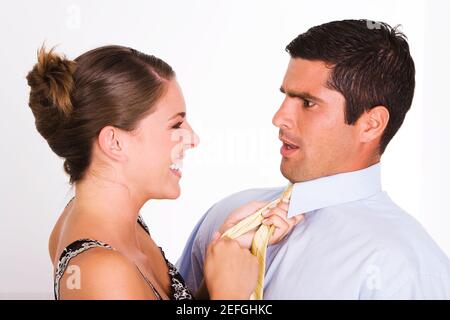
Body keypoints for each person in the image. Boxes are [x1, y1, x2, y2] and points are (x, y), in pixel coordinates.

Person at [177, 19, 450, 299]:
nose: (279, 118)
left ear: (371, 124)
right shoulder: (225, 222)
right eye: (285, 97)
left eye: (307, 103)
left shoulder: (407, 272)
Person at [26, 45, 298, 300]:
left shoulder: (118, 223)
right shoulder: (102, 272)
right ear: (114, 142)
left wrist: (230, 244)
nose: (192, 139)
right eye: (175, 124)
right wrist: (230, 294)